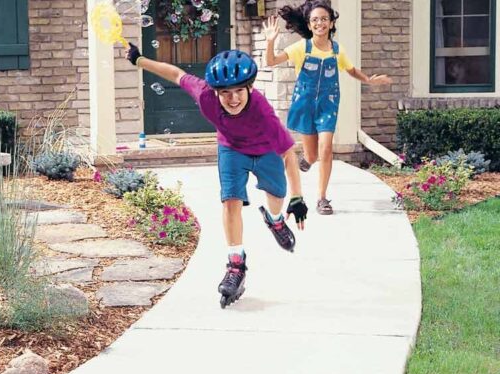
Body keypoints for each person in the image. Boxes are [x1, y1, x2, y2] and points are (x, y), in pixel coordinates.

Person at [125, 44, 308, 308]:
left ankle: (275, 221)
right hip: (232, 149)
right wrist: (140, 60)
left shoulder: (263, 113)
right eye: (225, 93)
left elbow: (289, 153)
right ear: (215, 92)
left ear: (250, 88)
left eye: (238, 92)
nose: (233, 99)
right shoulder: (204, 95)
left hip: (266, 151)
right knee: (230, 200)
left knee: (276, 197)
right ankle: (236, 264)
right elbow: (175, 73)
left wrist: (298, 196)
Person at [263, 0, 392, 215]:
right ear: (309, 24)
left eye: (324, 19)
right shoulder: (301, 48)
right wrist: (270, 42)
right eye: (315, 20)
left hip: (327, 106)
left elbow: (350, 70)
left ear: (331, 23)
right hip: (305, 105)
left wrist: (368, 79)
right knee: (312, 155)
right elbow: (271, 61)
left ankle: (322, 198)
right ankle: (308, 160)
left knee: (326, 148)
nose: (320, 23)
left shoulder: (336, 50)